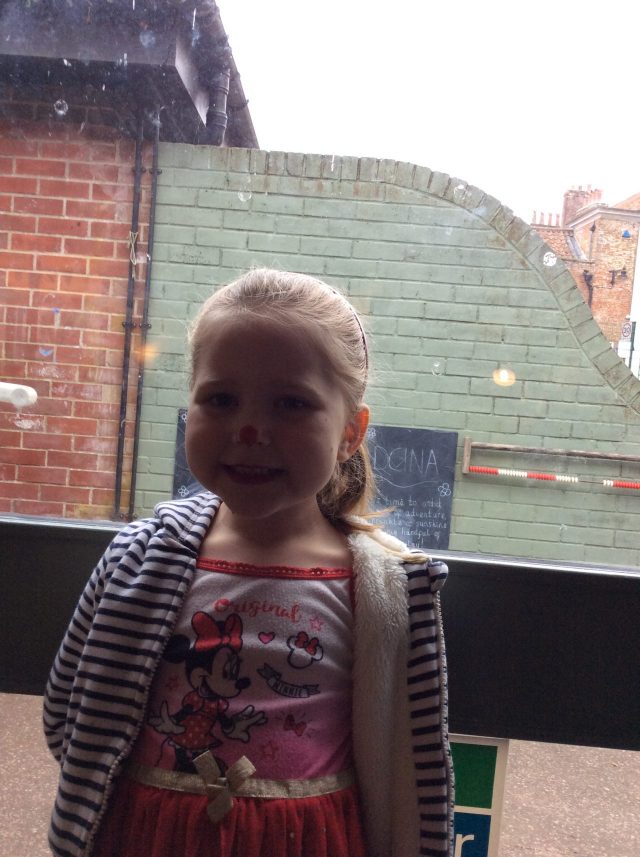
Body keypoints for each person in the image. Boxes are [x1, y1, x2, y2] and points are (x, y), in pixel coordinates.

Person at [43, 268, 454, 857]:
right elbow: (68, 713)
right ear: (189, 406)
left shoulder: (388, 590)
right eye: (221, 399)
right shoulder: (137, 557)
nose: (251, 429)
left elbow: (411, 762)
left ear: (350, 432)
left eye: (291, 403)